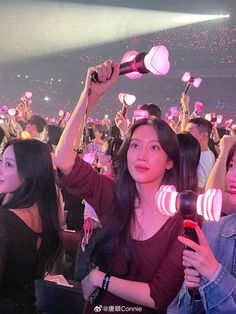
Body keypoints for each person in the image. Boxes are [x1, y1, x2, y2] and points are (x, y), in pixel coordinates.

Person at [55, 59, 184, 313]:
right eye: (135, 145)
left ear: (170, 161)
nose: (141, 155)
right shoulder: (113, 195)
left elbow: (159, 296)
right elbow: (64, 160)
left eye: (154, 147)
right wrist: (90, 94)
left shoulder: (182, 217)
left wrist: (101, 279)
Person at [167, 140, 236, 314]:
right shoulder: (213, 230)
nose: (231, 177)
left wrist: (215, 274)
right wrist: (193, 290)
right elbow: (183, 309)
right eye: (231, 165)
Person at [0, 139, 62, 314]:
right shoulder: (45, 217)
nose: (0, 169)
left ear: (30, 172)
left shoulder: (5, 221)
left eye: (8, 164)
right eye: (1, 161)